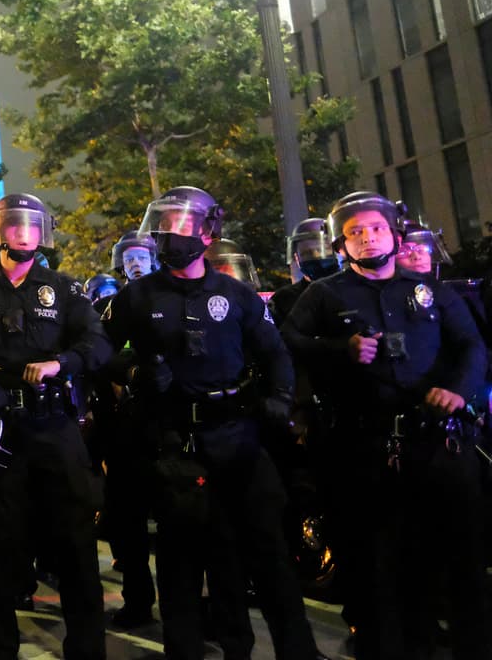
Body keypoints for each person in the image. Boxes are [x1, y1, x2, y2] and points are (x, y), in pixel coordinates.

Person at [102, 186, 323, 660]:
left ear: (207, 232)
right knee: (181, 562)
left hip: (238, 439)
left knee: (267, 556)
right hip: (175, 446)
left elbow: (275, 352)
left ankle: (296, 650)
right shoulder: (136, 297)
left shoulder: (236, 295)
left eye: (180, 224)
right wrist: (135, 372)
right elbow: (101, 354)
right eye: (163, 225)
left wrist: (281, 399)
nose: (169, 234)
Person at [281, 192, 487, 660]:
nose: (367, 238)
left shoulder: (432, 290)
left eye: (375, 228)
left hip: (438, 444)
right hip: (363, 450)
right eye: (354, 232)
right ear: (340, 244)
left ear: (394, 234)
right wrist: (341, 349)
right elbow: (287, 341)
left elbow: (471, 346)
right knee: (379, 568)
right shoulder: (324, 294)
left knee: (462, 561)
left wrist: (458, 390)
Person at [0, 192, 112, 660]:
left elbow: (98, 345)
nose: (23, 234)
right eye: (14, 225)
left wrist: (62, 363)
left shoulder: (64, 289)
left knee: (76, 544)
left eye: (32, 226)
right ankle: (0, 649)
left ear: (44, 233)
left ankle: (87, 650)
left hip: (54, 426)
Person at [269, 218, 342, 329]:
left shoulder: (355, 289)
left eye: (323, 250)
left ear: (337, 251)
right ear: (297, 258)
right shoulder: (282, 299)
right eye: (307, 253)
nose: (316, 256)